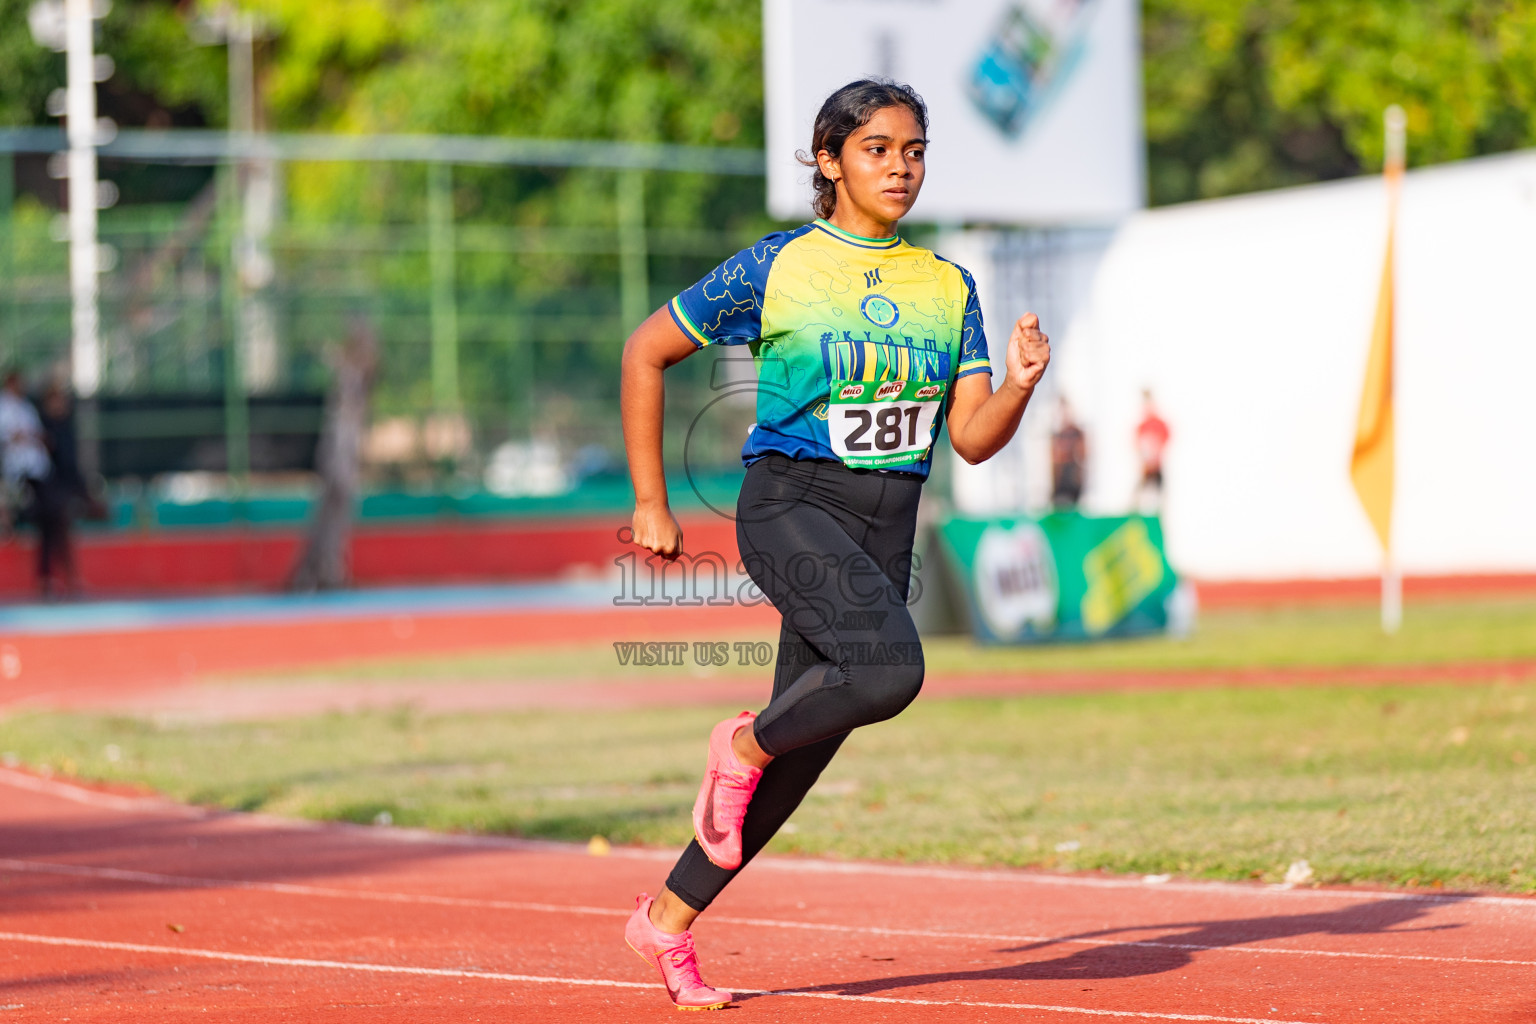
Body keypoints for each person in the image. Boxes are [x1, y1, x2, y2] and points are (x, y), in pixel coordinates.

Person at [618, 79, 1051, 1011]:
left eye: (915, 150)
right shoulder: (775, 267)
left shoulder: (949, 286)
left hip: (886, 525)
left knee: (796, 758)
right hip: (790, 506)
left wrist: (1016, 385)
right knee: (890, 671)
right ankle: (737, 741)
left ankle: (664, 923)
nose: (900, 166)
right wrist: (653, 501)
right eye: (877, 148)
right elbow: (644, 350)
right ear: (828, 160)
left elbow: (970, 438)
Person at [1134, 388, 1170, 514]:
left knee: (1160, 498)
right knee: (1137, 497)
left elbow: (1166, 437)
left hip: (1157, 467)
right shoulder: (1142, 426)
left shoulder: (1158, 424)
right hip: (1146, 468)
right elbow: (1137, 444)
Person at [1049, 397, 1086, 509]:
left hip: (1072, 474)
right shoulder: (1057, 433)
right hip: (1061, 478)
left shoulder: (1076, 432)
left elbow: (1083, 453)